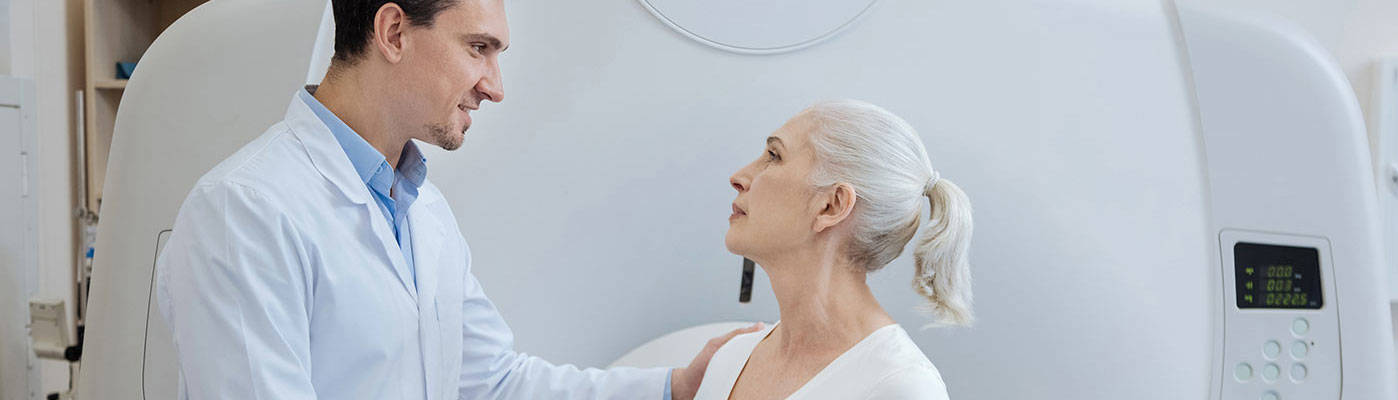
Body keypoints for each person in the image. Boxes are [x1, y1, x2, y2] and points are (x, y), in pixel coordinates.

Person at [155, 0, 756, 398]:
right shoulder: (245, 210)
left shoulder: (422, 211)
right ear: (393, 33)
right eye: (478, 48)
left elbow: (495, 383)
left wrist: (677, 386)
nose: (495, 87)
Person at [695, 100, 973, 399]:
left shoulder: (902, 387)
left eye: (774, 156)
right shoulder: (730, 358)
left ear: (832, 205)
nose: (738, 177)